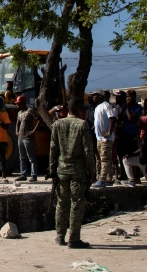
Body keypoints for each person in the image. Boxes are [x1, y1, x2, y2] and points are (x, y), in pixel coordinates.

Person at [49, 97, 97, 248]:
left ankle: (60, 236)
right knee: (77, 204)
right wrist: (92, 171)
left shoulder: (57, 124)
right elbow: (88, 151)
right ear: (80, 109)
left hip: (61, 171)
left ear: (67, 109)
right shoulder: (82, 125)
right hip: (78, 172)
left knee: (61, 203)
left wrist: (52, 171)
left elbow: (53, 150)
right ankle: (74, 238)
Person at [121, 115, 147, 208]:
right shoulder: (145, 133)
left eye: (140, 122)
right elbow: (141, 149)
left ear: (145, 124)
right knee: (126, 160)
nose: (138, 124)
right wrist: (131, 154)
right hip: (141, 160)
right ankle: (131, 180)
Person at [91, 90, 117, 187]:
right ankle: (109, 178)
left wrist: (109, 132)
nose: (93, 97)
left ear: (101, 96)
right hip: (99, 138)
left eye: (95, 95)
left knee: (104, 159)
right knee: (103, 158)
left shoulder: (106, 105)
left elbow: (113, 119)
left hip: (106, 138)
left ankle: (102, 180)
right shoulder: (98, 107)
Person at [117, 90, 142, 184]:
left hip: (134, 134)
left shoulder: (138, 108)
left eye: (129, 96)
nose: (128, 98)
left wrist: (127, 109)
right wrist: (125, 114)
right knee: (125, 156)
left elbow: (131, 118)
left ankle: (136, 177)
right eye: (127, 96)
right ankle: (127, 176)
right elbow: (119, 119)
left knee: (134, 155)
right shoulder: (124, 106)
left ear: (134, 97)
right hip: (125, 134)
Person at [15, 95, 38, 182]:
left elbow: (38, 119)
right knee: (22, 157)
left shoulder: (29, 111)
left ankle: (34, 175)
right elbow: (18, 122)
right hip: (20, 137)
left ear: (23, 103)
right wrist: (16, 131)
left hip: (27, 138)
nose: (17, 106)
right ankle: (23, 174)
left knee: (31, 157)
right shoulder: (19, 113)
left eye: (18, 104)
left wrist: (33, 131)